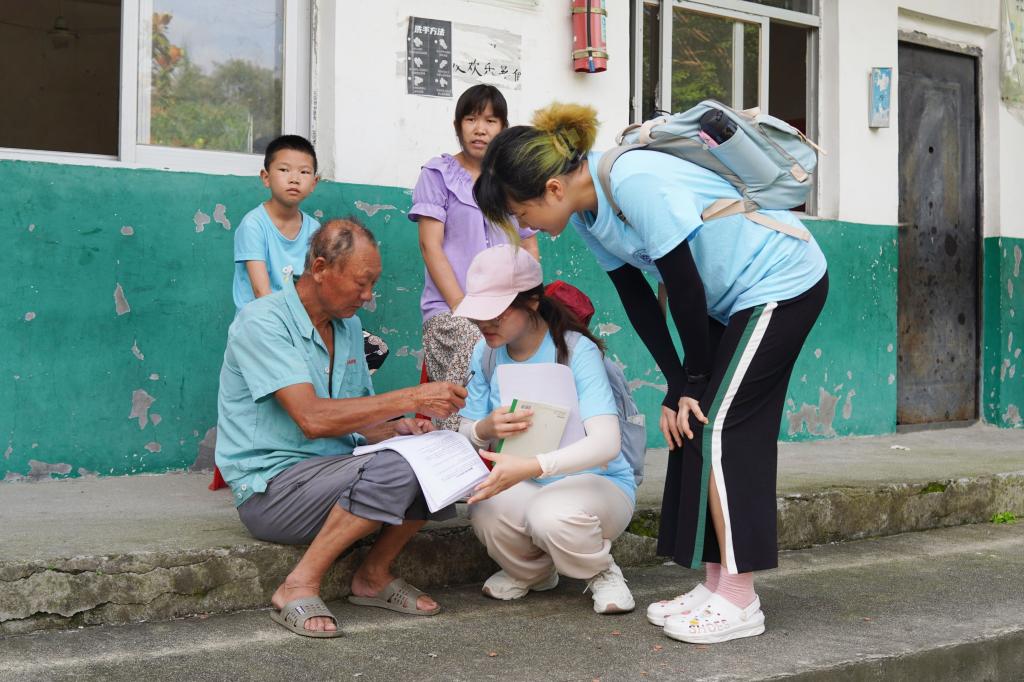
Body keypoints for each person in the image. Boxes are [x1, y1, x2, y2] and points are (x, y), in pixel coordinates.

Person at [473, 103, 829, 644]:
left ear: (552, 189)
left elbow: (683, 284)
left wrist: (693, 381)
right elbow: (638, 300)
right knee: (694, 423)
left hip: (779, 282)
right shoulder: (587, 214)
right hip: (727, 301)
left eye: (522, 212)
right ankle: (716, 584)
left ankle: (740, 599)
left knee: (722, 430)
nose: (526, 226)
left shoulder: (632, 180)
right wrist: (678, 385)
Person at [215, 218, 468, 638]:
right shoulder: (262, 321)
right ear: (319, 268)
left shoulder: (347, 326)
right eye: (361, 284)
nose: (368, 296)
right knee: (399, 468)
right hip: (272, 491)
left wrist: (399, 429)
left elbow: (355, 422)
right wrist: (412, 397)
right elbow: (313, 419)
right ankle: (297, 584)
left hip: (334, 473)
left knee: (441, 452)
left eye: (373, 285)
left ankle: (373, 575)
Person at [453, 244, 637, 615]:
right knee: (485, 508)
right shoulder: (485, 353)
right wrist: (484, 428)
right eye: (478, 313)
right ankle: (534, 573)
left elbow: (606, 444)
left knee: (550, 513)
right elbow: (465, 432)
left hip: (599, 484)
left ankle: (601, 572)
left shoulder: (576, 350)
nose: (485, 323)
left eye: (497, 312)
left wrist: (533, 466)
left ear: (532, 301)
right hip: (526, 480)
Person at [408, 85, 540, 430]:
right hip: (450, 309)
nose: (480, 129)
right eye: (471, 119)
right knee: (477, 341)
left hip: (507, 307)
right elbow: (430, 246)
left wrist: (530, 303)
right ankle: (457, 439)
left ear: (503, 128)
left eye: (490, 121)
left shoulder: (511, 180)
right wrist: (462, 306)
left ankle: (529, 438)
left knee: (554, 340)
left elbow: (529, 245)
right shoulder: (437, 174)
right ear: (458, 125)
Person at [232, 134, 320, 311]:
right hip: (260, 320)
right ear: (266, 177)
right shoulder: (253, 225)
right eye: (284, 170)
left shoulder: (315, 229)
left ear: (314, 183)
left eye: (304, 172)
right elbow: (262, 293)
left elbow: (315, 286)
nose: (294, 179)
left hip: (299, 317)